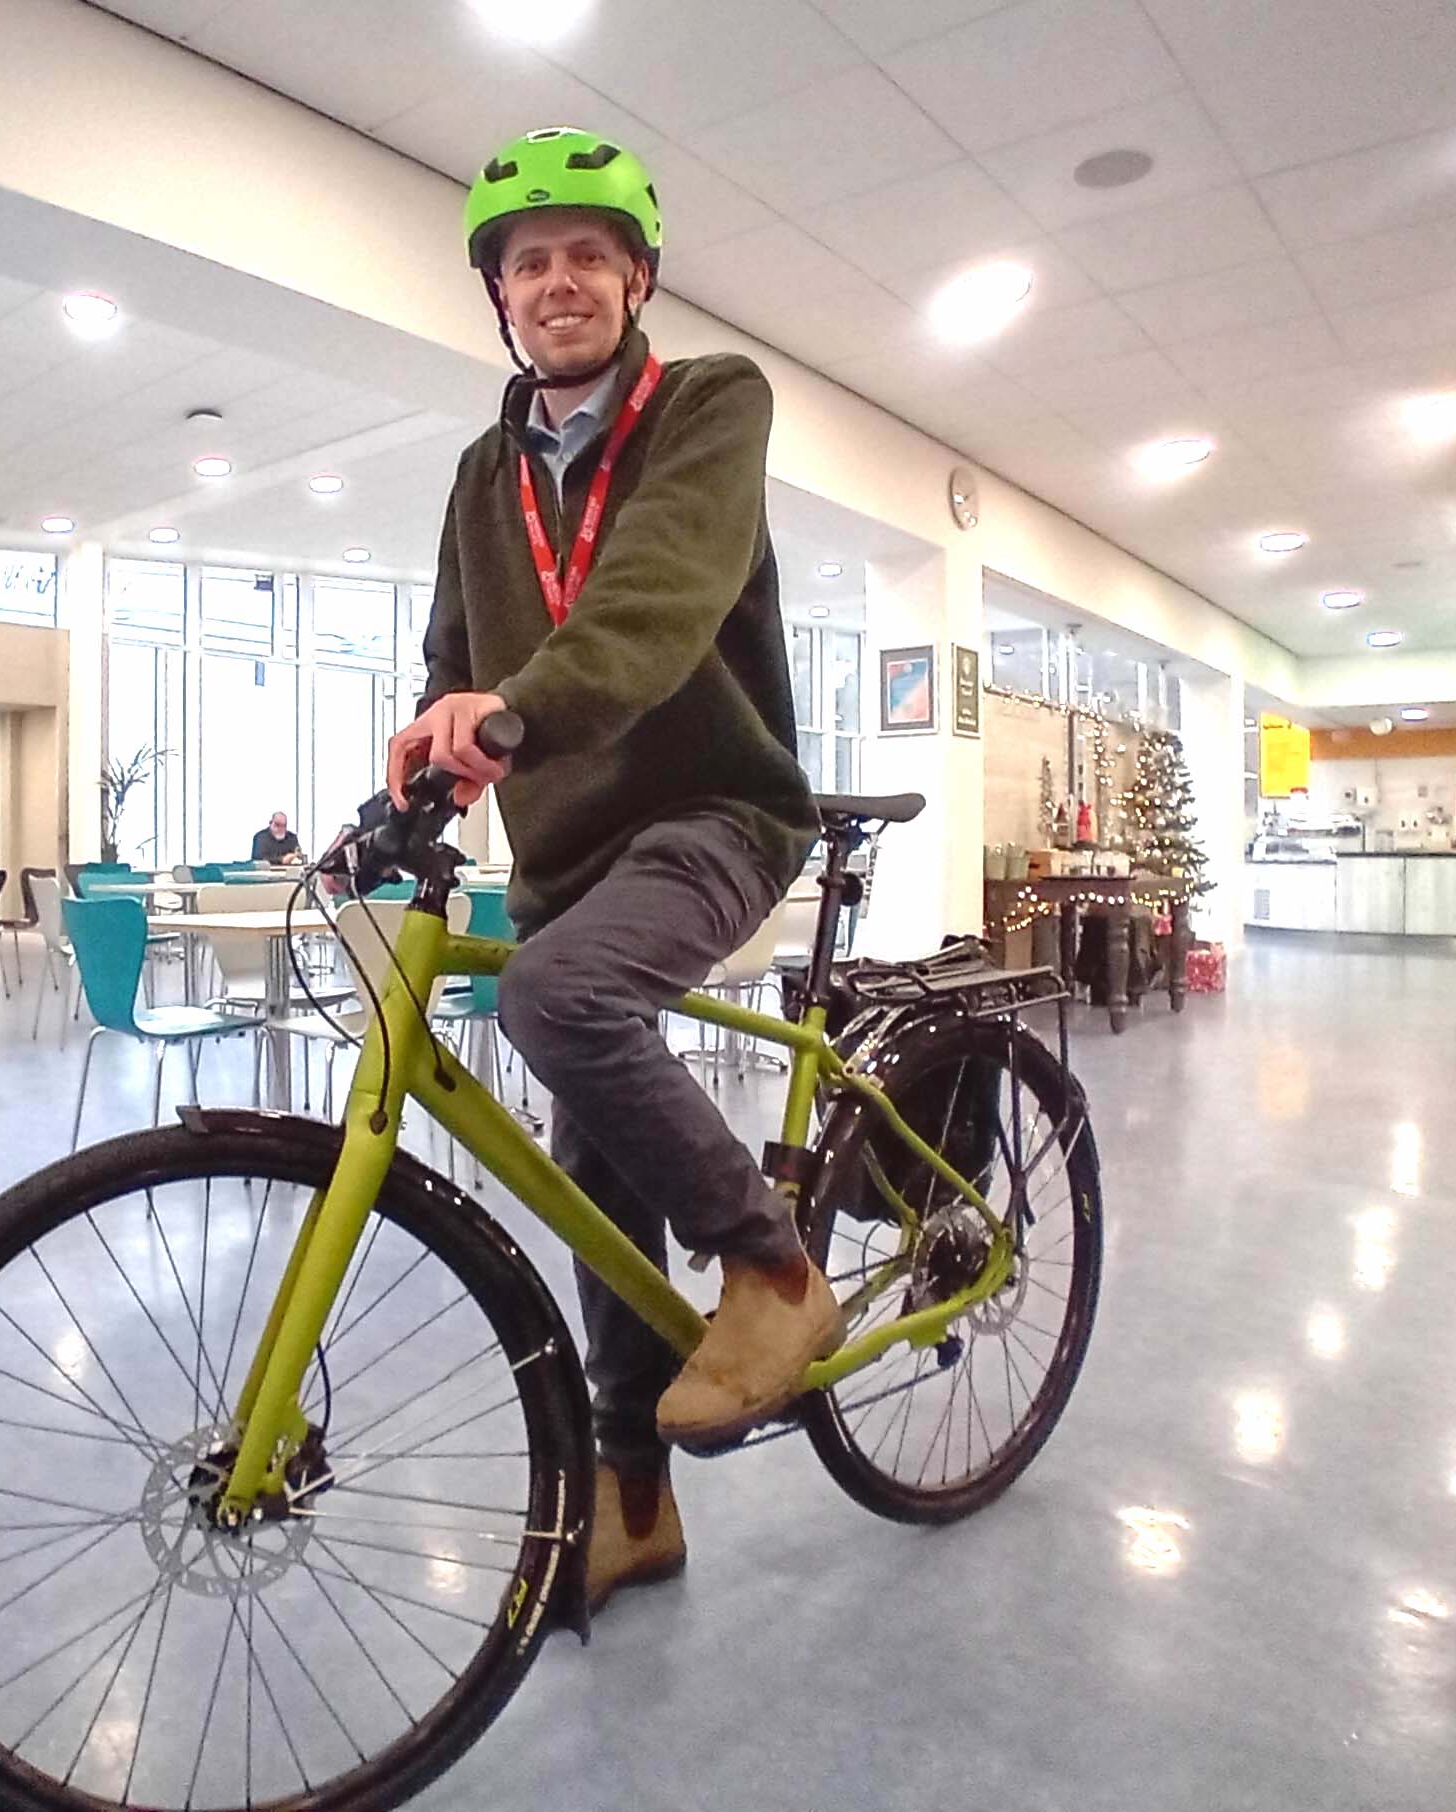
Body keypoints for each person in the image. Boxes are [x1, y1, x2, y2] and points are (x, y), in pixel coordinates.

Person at [385, 127, 835, 1616]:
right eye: (528, 262)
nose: (557, 280)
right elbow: (457, 659)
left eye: (588, 254)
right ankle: (629, 1500)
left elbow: (651, 602)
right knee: (588, 1185)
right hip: (567, 850)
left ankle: (771, 1274)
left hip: (714, 810)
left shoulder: (709, 402)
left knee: (557, 996)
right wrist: (426, 768)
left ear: (636, 281)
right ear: (498, 301)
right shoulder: (477, 471)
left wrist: (522, 708)